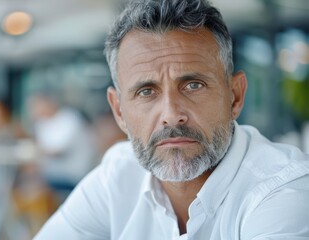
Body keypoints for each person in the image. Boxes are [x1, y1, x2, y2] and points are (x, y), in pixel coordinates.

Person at [35, 0, 309, 239]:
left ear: (234, 97)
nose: (171, 114)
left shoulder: (284, 191)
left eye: (193, 86)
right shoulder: (117, 177)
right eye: (146, 91)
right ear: (119, 111)